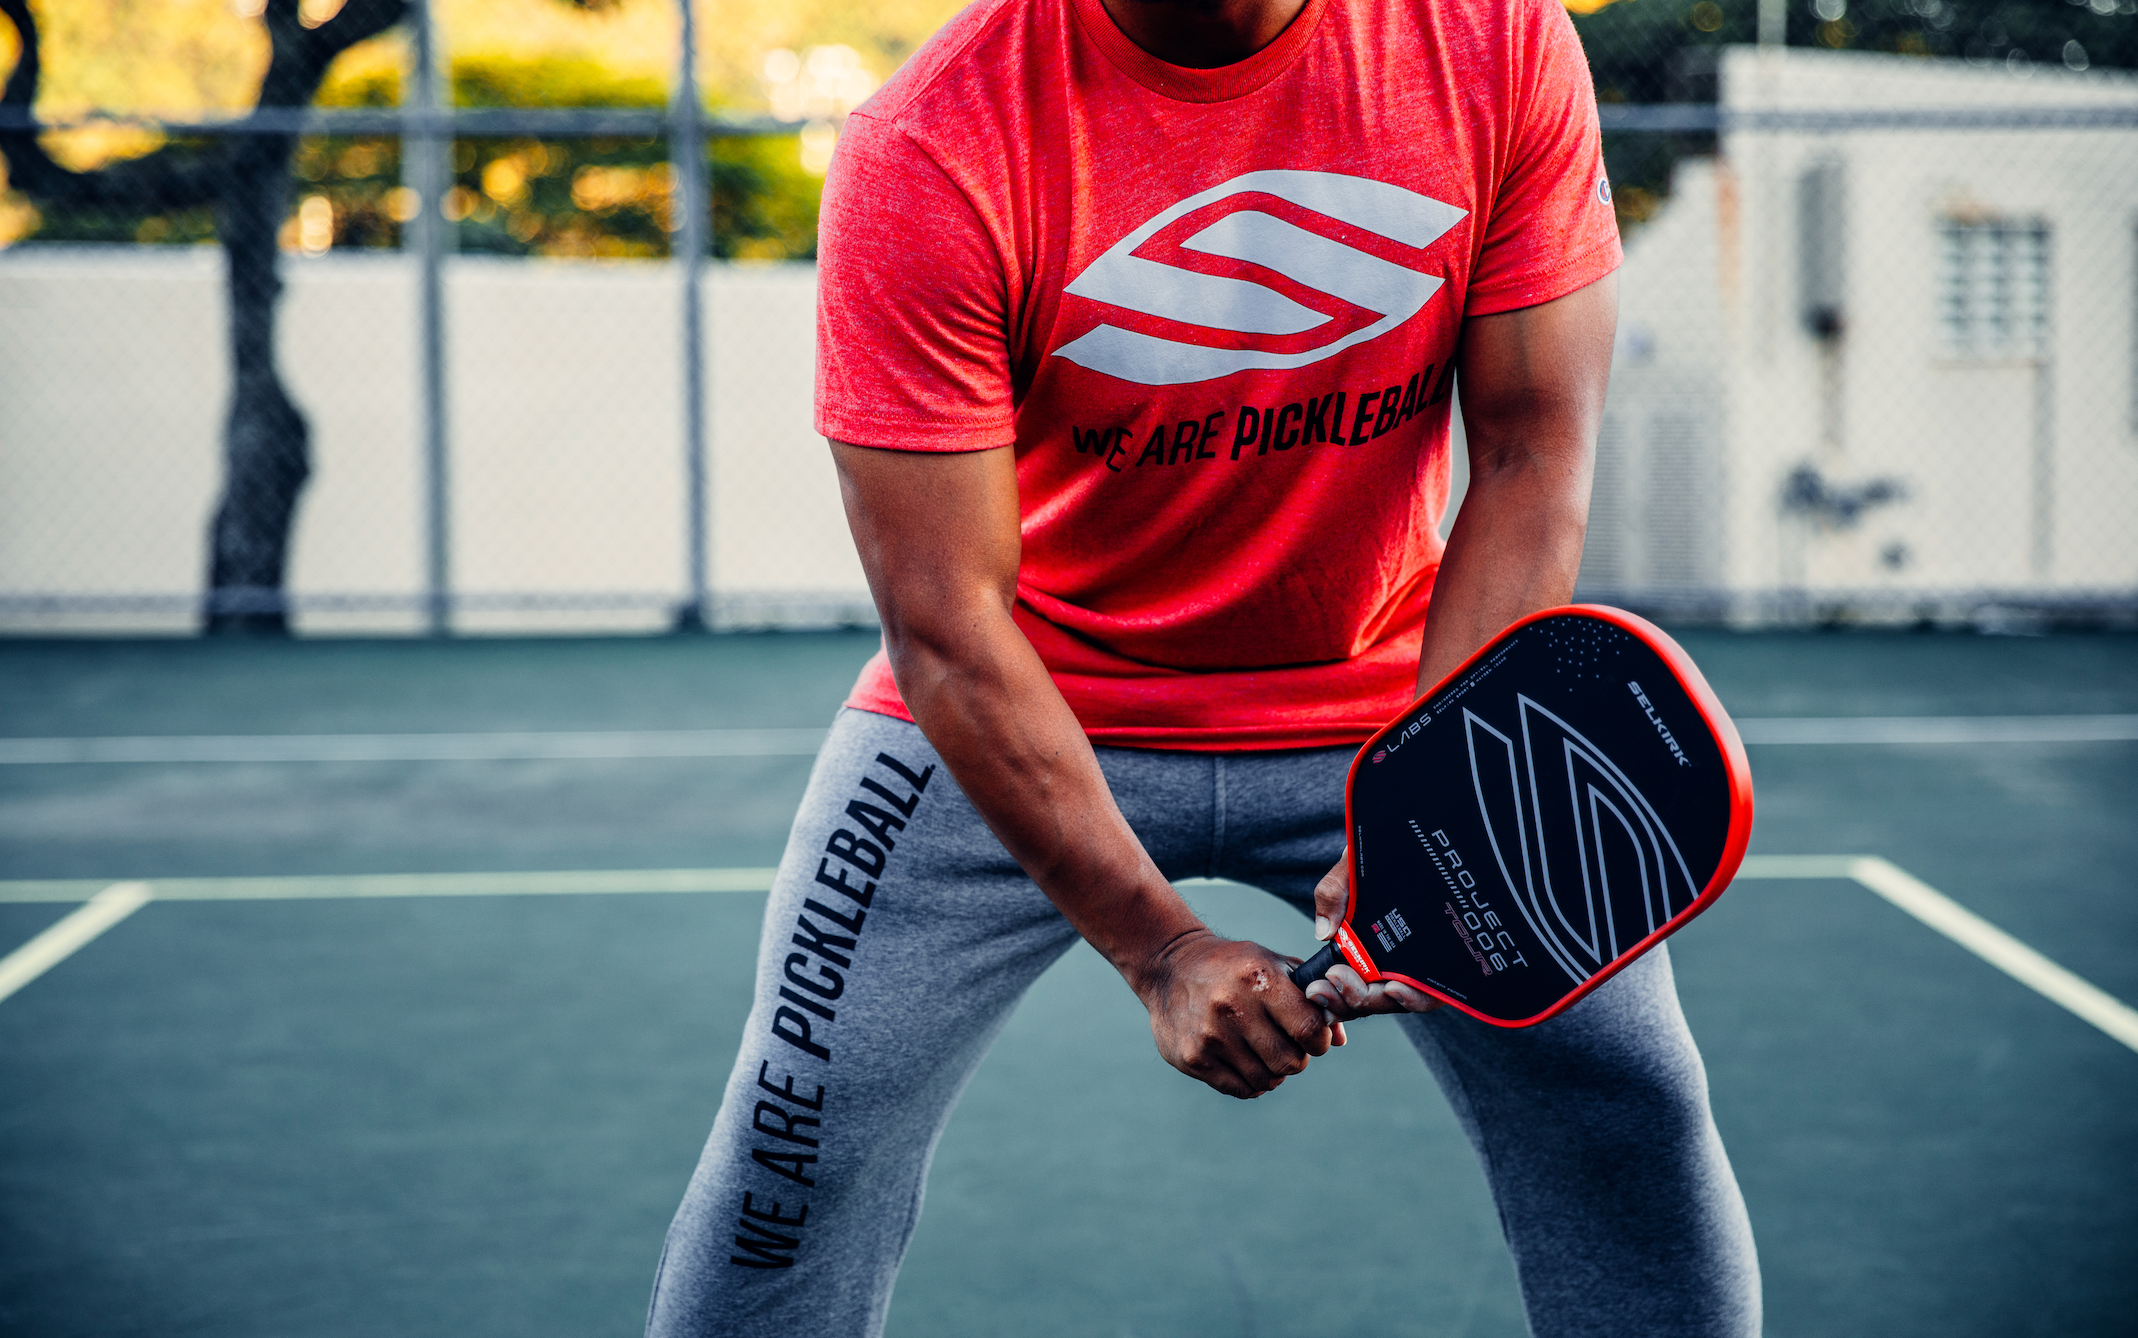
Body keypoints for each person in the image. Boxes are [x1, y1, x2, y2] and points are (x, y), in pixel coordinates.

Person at [647, 0, 1761, 1332]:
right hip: (1024, 701)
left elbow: (1530, 455)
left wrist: (1437, 793)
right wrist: (1159, 946)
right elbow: (945, 618)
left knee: (1628, 1101)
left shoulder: (1493, 40)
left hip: (1388, 702)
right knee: (796, 1138)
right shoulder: (930, 142)